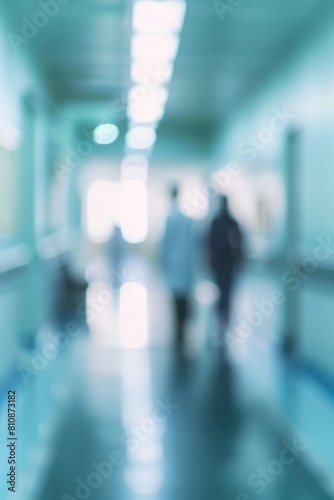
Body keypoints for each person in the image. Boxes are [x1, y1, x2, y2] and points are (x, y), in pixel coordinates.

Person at [161, 185, 195, 346]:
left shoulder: (172, 218)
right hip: (183, 264)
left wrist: (164, 260)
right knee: (183, 297)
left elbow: (167, 243)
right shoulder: (183, 218)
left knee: (178, 298)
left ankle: (179, 329)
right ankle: (181, 328)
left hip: (176, 264)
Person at [209, 195, 242, 333]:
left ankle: (224, 318)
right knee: (221, 290)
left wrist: (239, 258)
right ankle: (220, 317)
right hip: (219, 263)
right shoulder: (216, 223)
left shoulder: (231, 223)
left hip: (228, 262)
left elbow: (239, 242)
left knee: (227, 291)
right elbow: (209, 242)